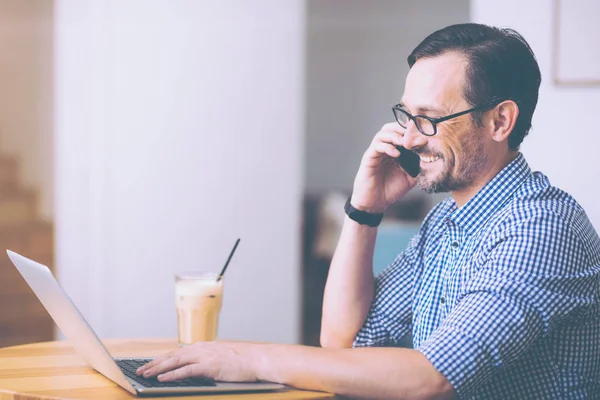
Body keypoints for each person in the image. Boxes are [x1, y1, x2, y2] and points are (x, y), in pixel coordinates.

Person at [137, 23, 600, 399]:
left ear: (500, 121)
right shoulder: (445, 224)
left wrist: (249, 359)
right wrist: (364, 210)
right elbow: (343, 340)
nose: (411, 139)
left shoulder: (542, 227)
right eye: (407, 115)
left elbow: (431, 377)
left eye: (430, 119)